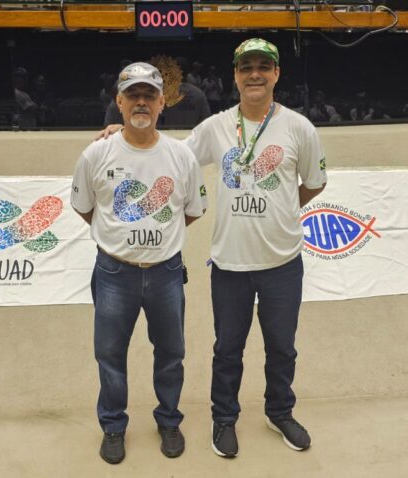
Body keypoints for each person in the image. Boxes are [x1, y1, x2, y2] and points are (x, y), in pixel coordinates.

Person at [98, 38, 328, 458]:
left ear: (276, 74)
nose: (254, 74)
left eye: (263, 66)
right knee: (227, 350)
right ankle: (224, 418)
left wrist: (282, 210)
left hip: (283, 262)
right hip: (230, 263)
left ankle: (280, 411)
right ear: (235, 76)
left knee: (282, 347)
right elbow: (172, 155)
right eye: (246, 67)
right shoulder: (217, 126)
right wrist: (123, 130)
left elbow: (314, 183)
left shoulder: (299, 128)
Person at [72, 62, 207, 465]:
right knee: (110, 355)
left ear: (163, 102)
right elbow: (84, 208)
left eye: (150, 94)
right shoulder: (96, 154)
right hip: (114, 273)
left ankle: (168, 420)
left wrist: (159, 240)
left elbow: (194, 209)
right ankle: (113, 426)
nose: (141, 102)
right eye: (133, 95)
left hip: (166, 272)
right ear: (119, 101)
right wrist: (119, 239)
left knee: (170, 353)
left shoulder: (181, 156)